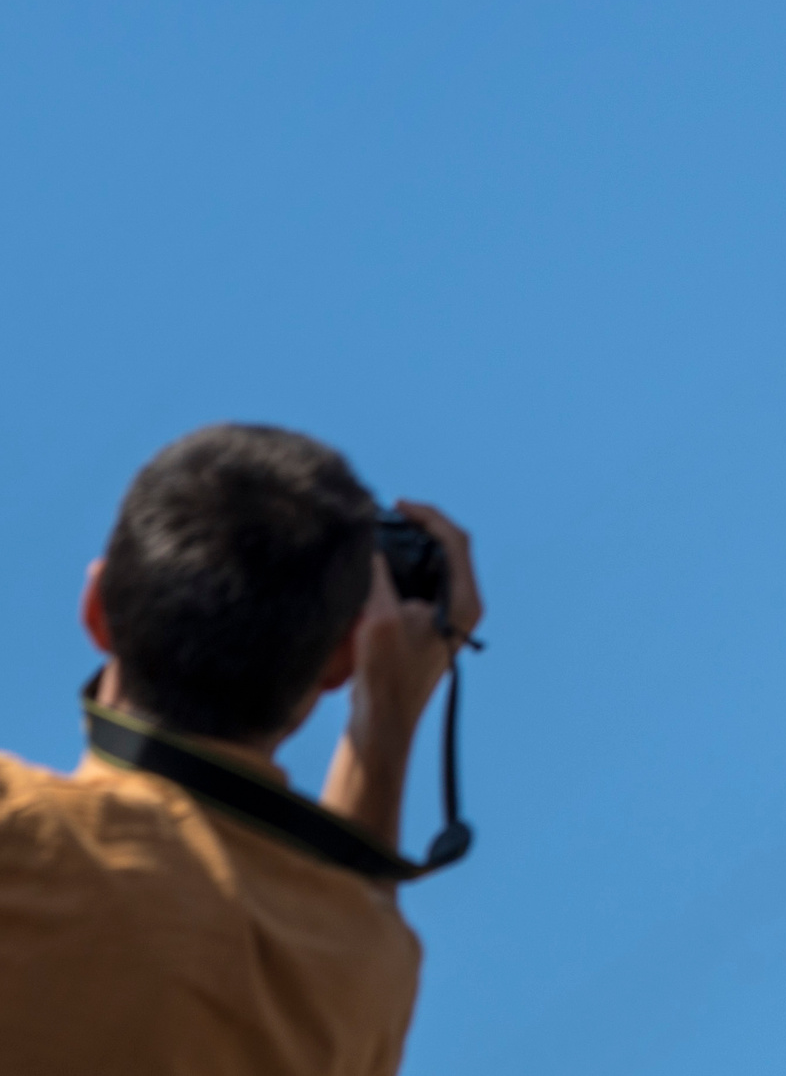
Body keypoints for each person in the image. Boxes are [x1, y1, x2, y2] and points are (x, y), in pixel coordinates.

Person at [0, 423, 484, 1076]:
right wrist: (387, 715)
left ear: (97, 609)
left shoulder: (23, 831)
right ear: (339, 664)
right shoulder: (360, 976)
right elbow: (338, 923)